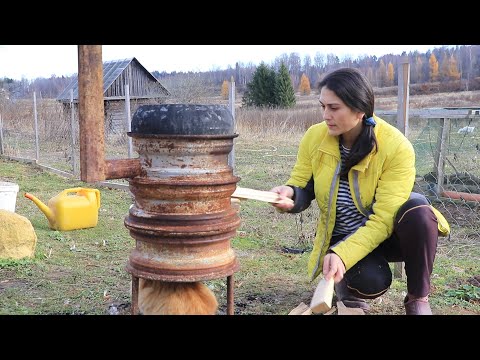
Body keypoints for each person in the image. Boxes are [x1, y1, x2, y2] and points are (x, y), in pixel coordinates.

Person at [270, 67, 449, 315]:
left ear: (360, 110)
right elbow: (303, 185)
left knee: (419, 210)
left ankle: (418, 299)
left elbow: (384, 219)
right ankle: (346, 287)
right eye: (323, 106)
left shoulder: (396, 147)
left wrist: (343, 255)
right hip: (341, 236)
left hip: (384, 235)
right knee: (371, 280)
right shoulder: (315, 137)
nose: (325, 115)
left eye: (334, 108)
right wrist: (290, 194)